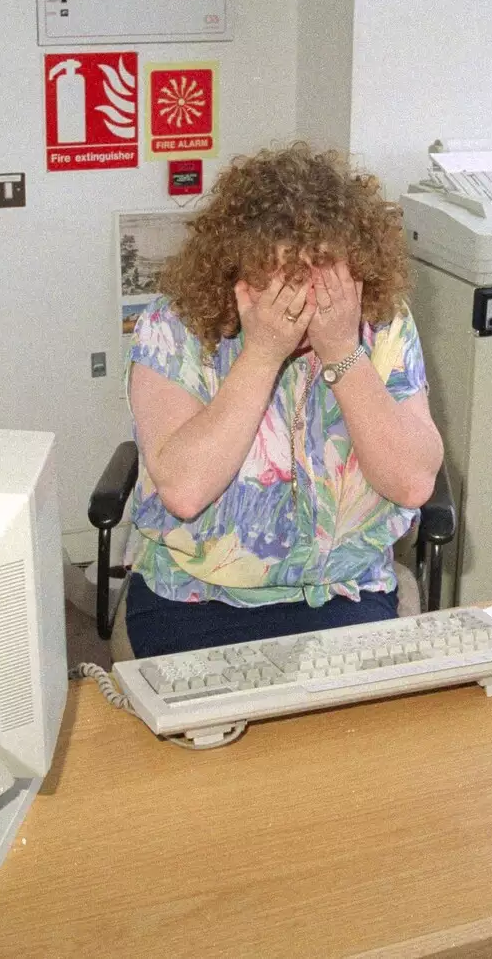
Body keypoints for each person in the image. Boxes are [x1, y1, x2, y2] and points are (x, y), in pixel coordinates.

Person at [121, 143, 444, 659]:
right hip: (194, 598)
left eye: (325, 273)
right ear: (238, 273)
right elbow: (183, 491)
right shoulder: (171, 327)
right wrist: (263, 354)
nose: (305, 298)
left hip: (342, 591)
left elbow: (411, 482)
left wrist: (342, 351)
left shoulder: (382, 324)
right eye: (285, 275)